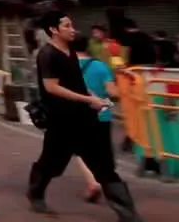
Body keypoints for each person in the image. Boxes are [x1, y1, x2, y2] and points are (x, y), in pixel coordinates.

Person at [28, 12, 143, 221]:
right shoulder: (47, 54)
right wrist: (87, 99)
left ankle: (128, 215)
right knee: (51, 164)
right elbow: (52, 87)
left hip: (86, 119)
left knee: (105, 167)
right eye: (67, 26)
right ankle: (35, 194)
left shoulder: (70, 51)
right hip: (61, 121)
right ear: (53, 30)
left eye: (72, 25)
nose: (73, 30)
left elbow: (77, 84)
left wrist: (95, 98)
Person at [71, 33, 117, 203]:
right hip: (102, 115)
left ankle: (93, 182)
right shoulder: (100, 66)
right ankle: (110, 185)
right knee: (103, 151)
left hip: (77, 115)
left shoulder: (65, 67)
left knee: (80, 150)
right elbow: (113, 92)